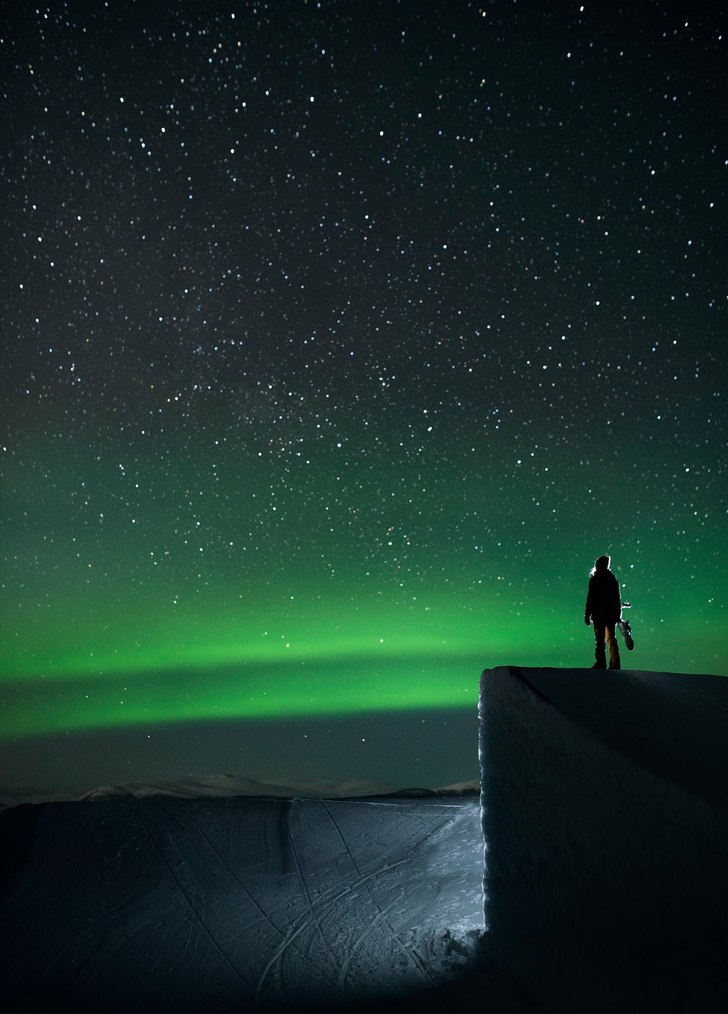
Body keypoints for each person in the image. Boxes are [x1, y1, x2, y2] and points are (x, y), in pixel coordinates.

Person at [584, 555, 621, 670]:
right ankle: (615, 664)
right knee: (611, 638)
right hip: (610, 614)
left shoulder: (595, 579)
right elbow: (617, 598)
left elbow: (591, 598)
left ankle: (600, 664)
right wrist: (617, 614)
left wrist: (587, 614)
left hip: (599, 614)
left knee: (600, 640)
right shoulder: (612, 579)